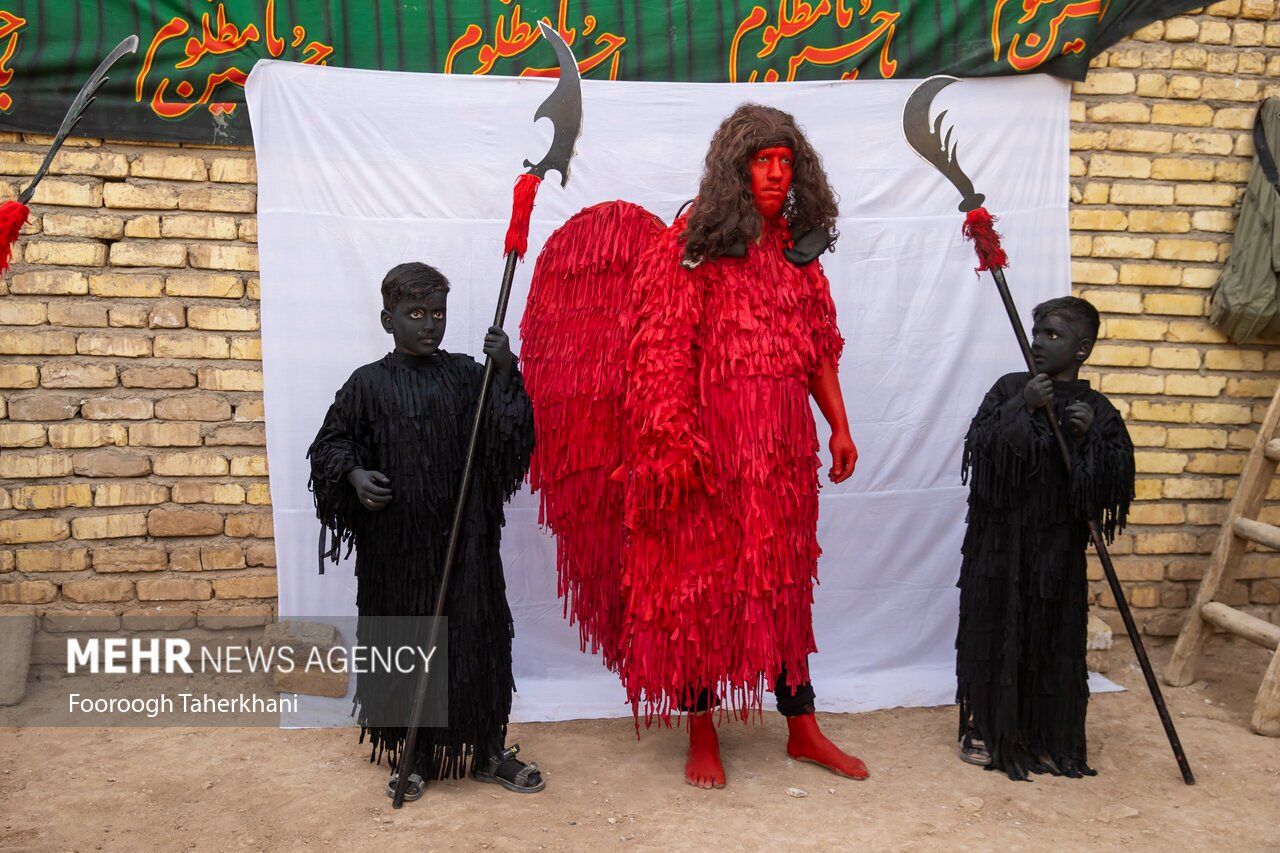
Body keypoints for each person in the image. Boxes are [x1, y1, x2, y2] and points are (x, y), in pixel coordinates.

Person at [521, 104, 867, 789]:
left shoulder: (798, 255)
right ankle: (701, 731)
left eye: (784, 162)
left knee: (784, 586)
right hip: (706, 459)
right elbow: (660, 351)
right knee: (698, 596)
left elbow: (818, 347)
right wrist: (667, 445)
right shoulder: (691, 246)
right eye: (761, 161)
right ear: (735, 167)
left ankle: (802, 726)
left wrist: (840, 424)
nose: (774, 174)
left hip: (782, 462)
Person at [307, 262, 543, 799]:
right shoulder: (367, 384)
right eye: (415, 314)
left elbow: (509, 437)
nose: (429, 324)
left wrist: (505, 372)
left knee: (474, 640)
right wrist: (353, 473)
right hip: (398, 548)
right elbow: (329, 445)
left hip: (467, 542)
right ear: (387, 318)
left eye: (437, 313)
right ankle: (410, 755)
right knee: (405, 640)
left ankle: (485, 749)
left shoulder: (466, 376)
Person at [955, 295, 1134, 781]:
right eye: (1037, 333)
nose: (1038, 343)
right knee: (996, 631)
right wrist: (1022, 407)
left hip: (1057, 551)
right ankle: (986, 725)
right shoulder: (1011, 388)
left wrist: (1086, 441)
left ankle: (1046, 730)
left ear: (1083, 349)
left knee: (1051, 637)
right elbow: (982, 452)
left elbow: (1111, 487)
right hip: (1000, 546)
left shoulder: (1097, 410)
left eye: (1053, 335)